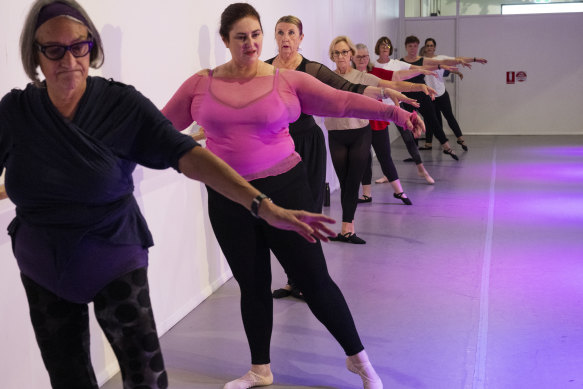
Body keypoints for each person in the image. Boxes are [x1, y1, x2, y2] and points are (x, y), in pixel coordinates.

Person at [0, 1, 336, 388]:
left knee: (145, 373)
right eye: (54, 49)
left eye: (79, 46)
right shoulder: (16, 112)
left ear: (91, 47)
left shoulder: (119, 104)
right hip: (44, 265)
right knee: (67, 373)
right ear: (35, 53)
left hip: (113, 257)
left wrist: (260, 204)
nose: (69, 59)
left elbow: (187, 154)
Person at [162, 4, 424, 388]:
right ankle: (260, 369)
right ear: (225, 41)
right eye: (240, 37)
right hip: (228, 196)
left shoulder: (284, 80)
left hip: (285, 190)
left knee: (313, 279)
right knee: (252, 284)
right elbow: (159, 125)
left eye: (255, 35)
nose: (251, 44)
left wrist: (396, 114)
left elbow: (342, 100)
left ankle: (359, 360)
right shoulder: (201, 84)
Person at [265, 15, 418, 299]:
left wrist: (387, 94)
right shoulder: (262, 69)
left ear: (300, 38)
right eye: (280, 32)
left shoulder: (311, 69)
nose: (285, 37)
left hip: (307, 145)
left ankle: (311, 279)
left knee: (309, 212)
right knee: (283, 214)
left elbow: (350, 89)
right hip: (276, 145)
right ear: (275, 37)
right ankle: (293, 280)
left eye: (291, 33)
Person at [324, 36, 432, 244]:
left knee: (353, 180)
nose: (341, 56)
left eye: (344, 52)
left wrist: (418, 87)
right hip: (336, 134)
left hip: (359, 134)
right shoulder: (326, 78)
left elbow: (392, 84)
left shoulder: (363, 77)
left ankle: (348, 227)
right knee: (345, 182)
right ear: (332, 56)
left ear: (351, 54)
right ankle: (346, 230)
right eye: (336, 53)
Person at [353, 43, 436, 199]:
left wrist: (419, 79)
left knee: (385, 157)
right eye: (359, 56)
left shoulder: (375, 72)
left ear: (369, 57)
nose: (362, 59)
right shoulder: (351, 75)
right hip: (359, 123)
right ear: (353, 58)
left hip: (377, 121)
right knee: (364, 159)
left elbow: (397, 79)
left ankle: (399, 191)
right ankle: (366, 194)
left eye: (365, 56)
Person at [421, 37, 487, 151]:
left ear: (435, 47)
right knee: (431, 119)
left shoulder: (441, 58)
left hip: (441, 94)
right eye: (428, 45)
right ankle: (428, 143)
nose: (429, 47)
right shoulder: (421, 60)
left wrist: (475, 59)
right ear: (425, 48)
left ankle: (460, 138)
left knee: (449, 116)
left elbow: (458, 59)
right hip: (429, 95)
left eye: (431, 45)